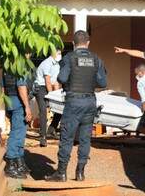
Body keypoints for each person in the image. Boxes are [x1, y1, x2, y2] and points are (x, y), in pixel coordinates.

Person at [45, 30, 107, 182]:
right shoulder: (96, 59)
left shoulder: (70, 57)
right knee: (85, 138)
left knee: (67, 137)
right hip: (90, 102)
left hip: (73, 102)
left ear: (73, 43)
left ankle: (61, 173)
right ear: (88, 43)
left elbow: (62, 78)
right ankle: (80, 173)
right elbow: (103, 83)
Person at [3, 72, 33, 179]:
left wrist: (6, 106)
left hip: (10, 101)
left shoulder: (7, 66)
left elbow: (3, 87)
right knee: (17, 134)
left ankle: (19, 161)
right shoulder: (20, 66)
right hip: (19, 103)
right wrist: (27, 106)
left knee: (19, 133)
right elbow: (21, 87)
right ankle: (10, 164)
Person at [34, 50, 62, 147]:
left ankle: (52, 129)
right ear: (53, 53)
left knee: (60, 108)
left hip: (49, 87)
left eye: (60, 53)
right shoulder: (47, 63)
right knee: (43, 111)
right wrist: (51, 95)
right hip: (41, 88)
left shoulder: (57, 65)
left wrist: (57, 96)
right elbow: (47, 80)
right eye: (58, 53)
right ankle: (43, 137)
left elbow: (56, 82)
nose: (60, 54)